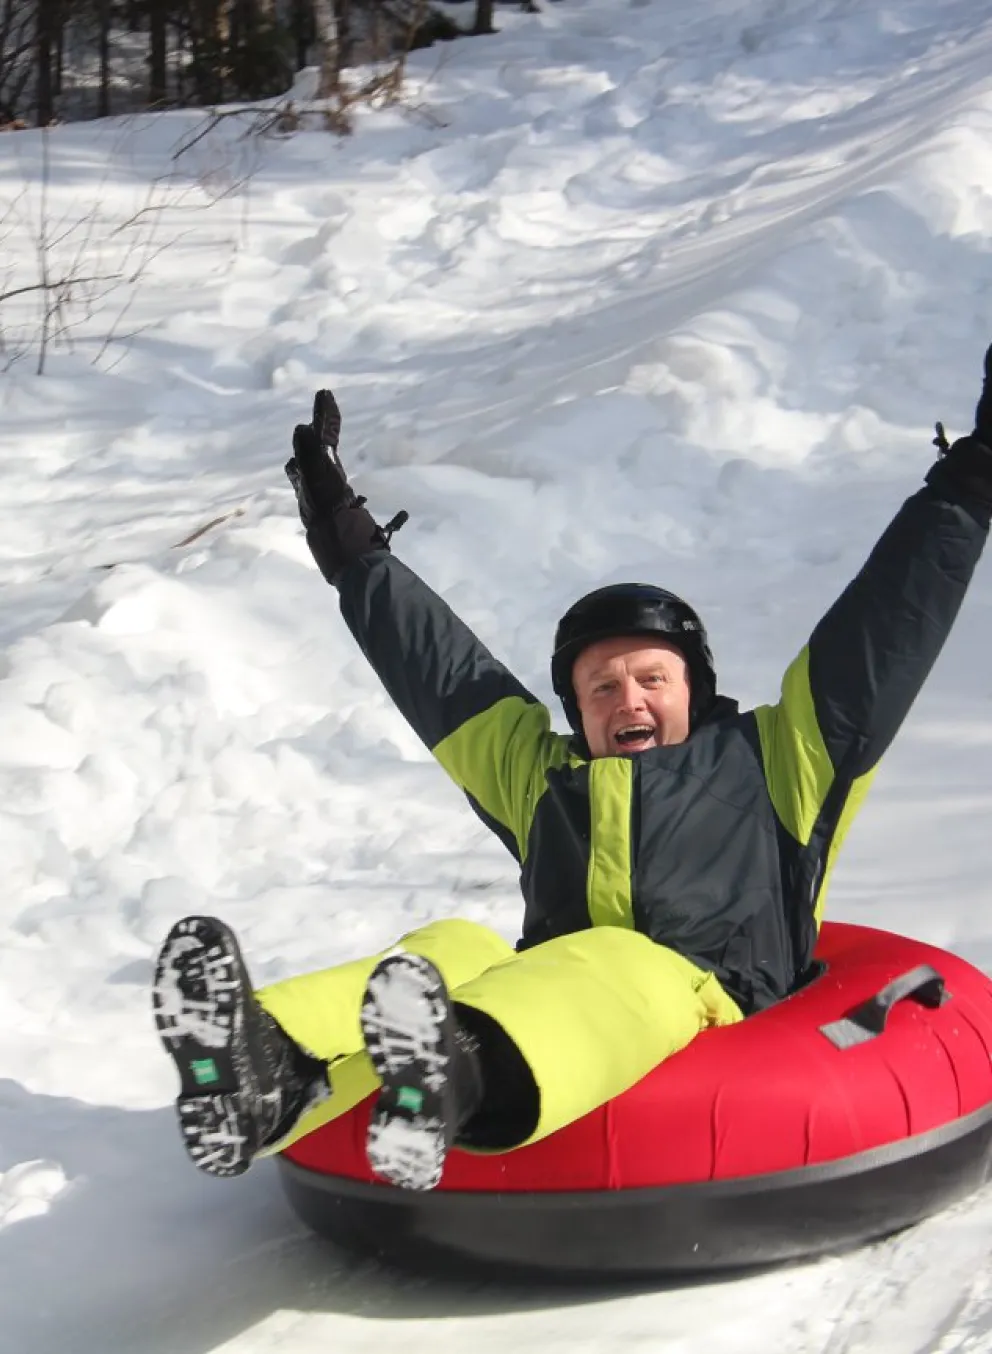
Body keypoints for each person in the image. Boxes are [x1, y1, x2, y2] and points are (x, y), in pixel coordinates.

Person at [153, 349, 992, 1190]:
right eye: (601, 685)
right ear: (579, 708)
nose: (626, 698)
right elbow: (440, 671)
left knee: (622, 963)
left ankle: (460, 1083)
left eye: (651, 678)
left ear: (693, 692)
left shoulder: (779, 758)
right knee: (457, 946)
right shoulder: (541, 779)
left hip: (705, 1005)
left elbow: (889, 621)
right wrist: (346, 543)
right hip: (545, 1002)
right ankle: (265, 1066)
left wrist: (973, 479)